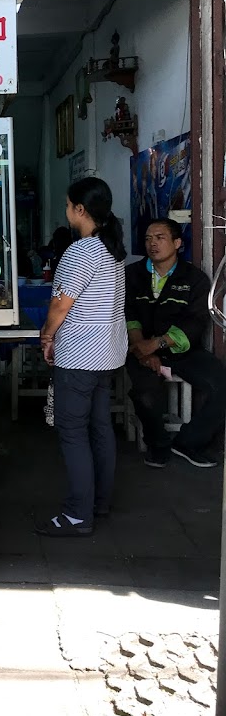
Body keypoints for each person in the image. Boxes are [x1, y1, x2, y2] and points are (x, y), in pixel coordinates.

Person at [38, 177, 127, 537]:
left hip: (78, 357)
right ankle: (99, 502)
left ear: (80, 209)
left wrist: (46, 335)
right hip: (107, 354)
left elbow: (61, 304)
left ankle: (77, 515)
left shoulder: (81, 251)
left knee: (73, 432)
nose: (66, 210)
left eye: (67, 204)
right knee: (100, 429)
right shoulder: (112, 250)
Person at [125, 218, 224, 469]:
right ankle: (158, 446)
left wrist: (157, 345)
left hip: (182, 350)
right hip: (140, 349)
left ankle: (189, 442)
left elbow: (196, 321)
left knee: (222, 385)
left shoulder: (194, 278)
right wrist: (142, 350)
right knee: (145, 393)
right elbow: (128, 315)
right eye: (148, 238)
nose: (152, 244)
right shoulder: (132, 275)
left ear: (177, 243)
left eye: (159, 238)